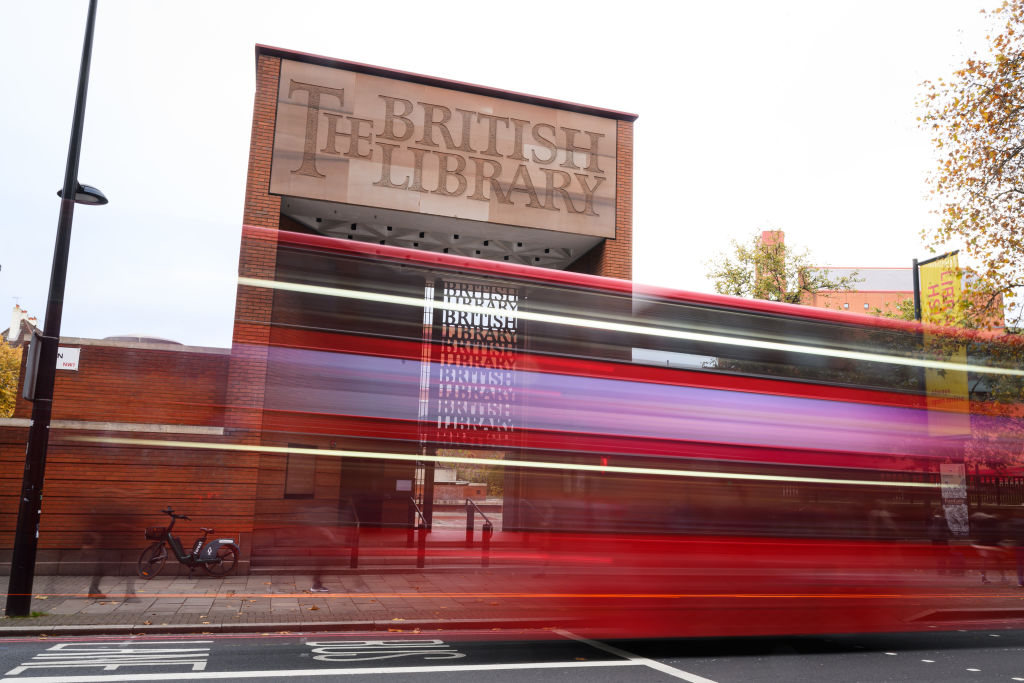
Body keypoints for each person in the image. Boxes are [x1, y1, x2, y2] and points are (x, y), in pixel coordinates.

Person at [971, 510, 1005, 584]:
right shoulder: (994, 523)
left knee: (984, 562)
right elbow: (997, 535)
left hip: (983, 545)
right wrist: (1000, 542)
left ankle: (984, 578)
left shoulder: (981, 523)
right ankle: (1003, 577)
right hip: (993, 546)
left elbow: (977, 533)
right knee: (999, 561)